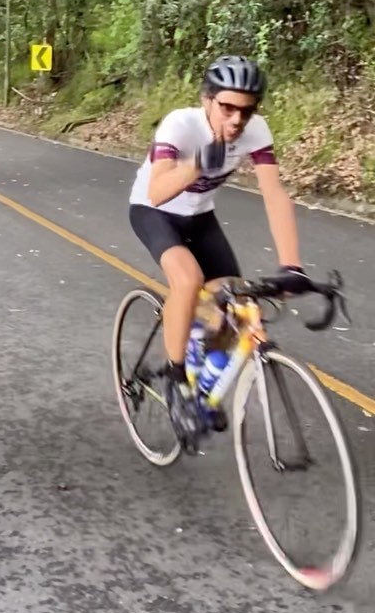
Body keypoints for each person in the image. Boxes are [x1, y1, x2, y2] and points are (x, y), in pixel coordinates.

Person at [128, 54, 307, 450]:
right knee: (187, 279)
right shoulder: (181, 124)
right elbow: (157, 190)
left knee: (235, 303)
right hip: (154, 211)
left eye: (247, 110)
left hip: (200, 218)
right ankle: (176, 382)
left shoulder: (255, 131)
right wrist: (197, 164)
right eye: (227, 107)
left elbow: (275, 195)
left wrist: (292, 265)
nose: (237, 120)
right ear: (207, 99)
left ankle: (199, 371)